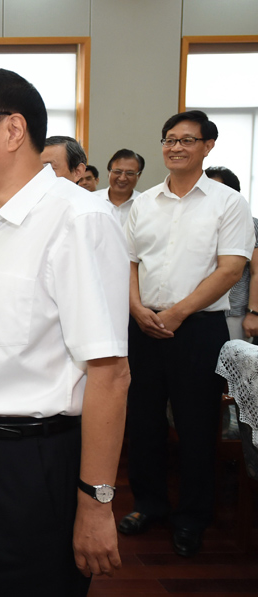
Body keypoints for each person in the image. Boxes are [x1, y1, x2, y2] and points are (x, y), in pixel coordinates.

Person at [0, 68, 130, 596]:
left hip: (29, 464)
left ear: (13, 129)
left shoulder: (77, 220)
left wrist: (96, 502)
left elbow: (110, 374)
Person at [121, 111, 254, 558]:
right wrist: (136, 308)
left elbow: (230, 269)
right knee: (143, 422)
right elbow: (129, 263)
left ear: (208, 145)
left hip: (197, 329)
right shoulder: (144, 202)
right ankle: (149, 504)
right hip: (143, 324)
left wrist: (177, 314)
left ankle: (193, 517)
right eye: (169, 139)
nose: (175, 147)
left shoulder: (228, 203)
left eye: (186, 140)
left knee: (197, 427)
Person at [204, 167, 258, 342]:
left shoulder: (250, 224)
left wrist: (254, 313)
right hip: (196, 310)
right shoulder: (196, 223)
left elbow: (256, 272)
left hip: (234, 312)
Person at [94, 149, 144, 226]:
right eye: (117, 172)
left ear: (138, 175)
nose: (122, 178)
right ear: (109, 172)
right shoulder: (92, 200)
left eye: (130, 173)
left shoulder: (145, 203)